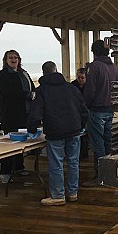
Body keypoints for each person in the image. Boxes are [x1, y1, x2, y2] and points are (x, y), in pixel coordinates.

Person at [27, 61, 88, 206]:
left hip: (55, 132)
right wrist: (81, 126)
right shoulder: (72, 89)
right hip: (74, 130)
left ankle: (58, 195)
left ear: (43, 73)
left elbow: (35, 114)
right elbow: (84, 110)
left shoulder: (41, 91)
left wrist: (32, 130)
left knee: (56, 163)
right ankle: (73, 193)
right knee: (73, 162)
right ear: (56, 71)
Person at [82, 40, 118, 187]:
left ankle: (101, 176)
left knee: (98, 144)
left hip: (96, 110)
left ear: (94, 52)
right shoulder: (114, 67)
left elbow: (90, 90)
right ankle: (110, 173)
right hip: (110, 109)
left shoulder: (95, 67)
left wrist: (84, 104)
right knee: (107, 141)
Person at [0, 49, 35, 183]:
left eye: (15, 57)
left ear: (19, 59)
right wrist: (27, 95)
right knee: (9, 144)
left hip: (24, 112)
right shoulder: (3, 75)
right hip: (9, 114)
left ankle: (19, 166)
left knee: (21, 141)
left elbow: (32, 87)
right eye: (10, 57)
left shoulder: (24, 73)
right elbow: (9, 92)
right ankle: (5, 172)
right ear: (6, 60)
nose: (13, 59)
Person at [72, 67, 89, 159]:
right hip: (76, 111)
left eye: (82, 78)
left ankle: (84, 153)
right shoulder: (73, 85)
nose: (80, 80)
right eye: (79, 78)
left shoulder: (89, 86)